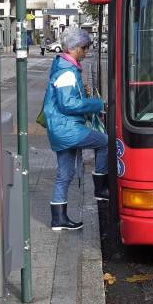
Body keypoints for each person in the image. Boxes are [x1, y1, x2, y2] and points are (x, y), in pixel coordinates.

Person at [42, 26, 108, 230]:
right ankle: (101, 188)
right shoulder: (67, 72)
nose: (86, 51)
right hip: (67, 128)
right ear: (71, 47)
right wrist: (99, 104)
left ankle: (58, 218)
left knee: (65, 173)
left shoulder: (65, 67)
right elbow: (67, 105)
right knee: (104, 142)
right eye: (84, 47)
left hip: (61, 130)